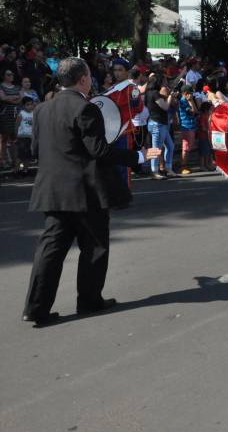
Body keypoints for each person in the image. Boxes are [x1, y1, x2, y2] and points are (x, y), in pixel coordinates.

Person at [22, 58, 160, 326]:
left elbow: (35, 149)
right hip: (85, 190)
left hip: (52, 189)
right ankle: (88, 300)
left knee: (50, 250)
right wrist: (138, 156)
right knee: (94, 246)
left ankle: (35, 308)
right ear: (83, 79)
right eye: (89, 77)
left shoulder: (42, 109)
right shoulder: (85, 108)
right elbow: (99, 151)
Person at [145, 74, 176, 179]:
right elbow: (165, 107)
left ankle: (168, 168)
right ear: (159, 82)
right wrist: (170, 96)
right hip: (157, 124)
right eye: (164, 81)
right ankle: (154, 171)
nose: (165, 83)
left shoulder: (149, 93)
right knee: (156, 149)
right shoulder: (154, 94)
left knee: (170, 146)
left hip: (159, 123)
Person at [16, 96, 35, 171]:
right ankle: (16, 170)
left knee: (28, 155)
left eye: (31, 104)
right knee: (21, 155)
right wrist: (16, 136)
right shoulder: (21, 114)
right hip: (22, 137)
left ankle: (25, 170)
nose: (30, 106)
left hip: (31, 137)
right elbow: (17, 125)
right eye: (27, 104)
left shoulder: (34, 113)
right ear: (23, 106)